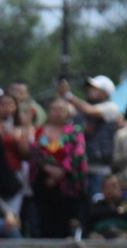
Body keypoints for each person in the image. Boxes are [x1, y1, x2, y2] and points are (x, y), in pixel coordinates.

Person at [31, 98, 87, 238]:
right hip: (45, 183)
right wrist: (48, 169)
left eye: (61, 110)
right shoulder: (41, 132)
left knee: (66, 223)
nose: (57, 113)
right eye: (54, 109)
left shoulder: (74, 132)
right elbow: (38, 152)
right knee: (44, 222)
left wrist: (62, 171)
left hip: (68, 184)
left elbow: (77, 153)